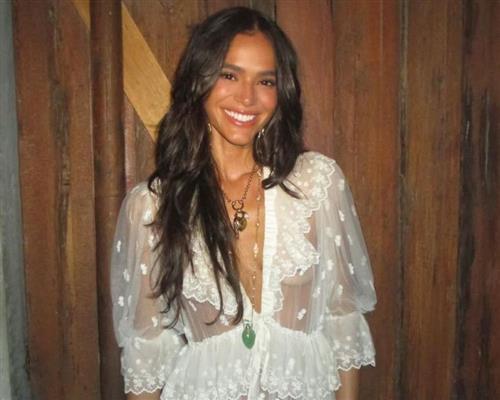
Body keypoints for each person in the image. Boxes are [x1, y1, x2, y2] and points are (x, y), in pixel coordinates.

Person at [110, 6, 376, 400]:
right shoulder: (152, 207)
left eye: (265, 81)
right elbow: (146, 359)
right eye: (229, 75)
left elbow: (343, 320)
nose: (247, 97)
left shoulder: (318, 184)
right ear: (198, 80)